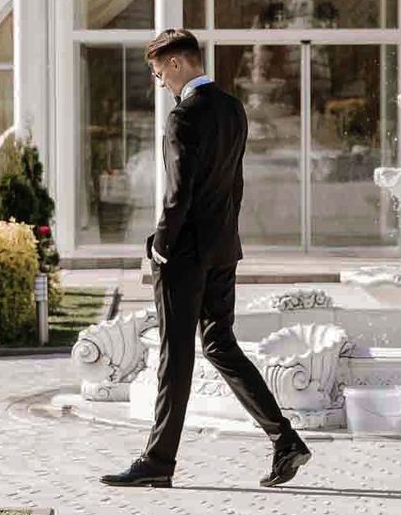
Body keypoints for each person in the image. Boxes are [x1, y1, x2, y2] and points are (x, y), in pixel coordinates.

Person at [100, 28, 312, 489]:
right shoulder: (234, 109)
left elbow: (178, 194)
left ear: (177, 64)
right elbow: (234, 185)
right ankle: (285, 441)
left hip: (185, 254)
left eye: (159, 73)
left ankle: (158, 462)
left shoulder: (183, 118)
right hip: (222, 249)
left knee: (175, 356)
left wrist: (160, 245)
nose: (160, 83)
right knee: (219, 345)